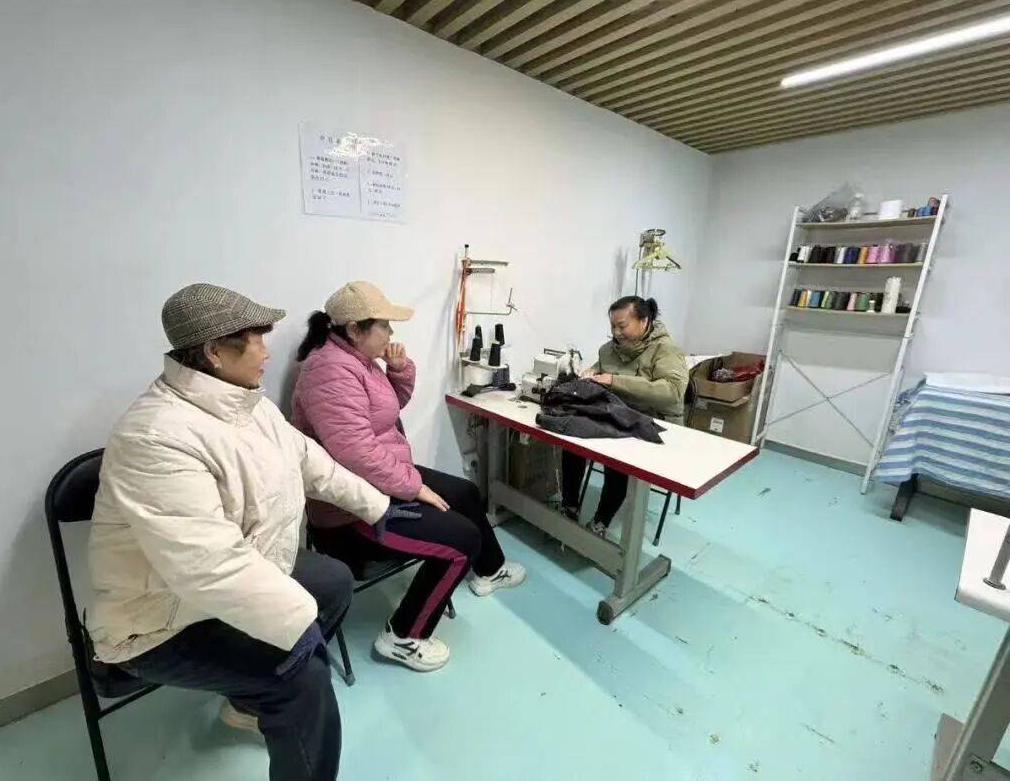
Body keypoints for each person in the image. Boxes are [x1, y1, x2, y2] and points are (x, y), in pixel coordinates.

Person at [88, 283, 394, 781]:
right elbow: (208, 565)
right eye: (257, 338)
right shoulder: (154, 436)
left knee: (333, 581)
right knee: (303, 680)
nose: (267, 351)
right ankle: (276, 698)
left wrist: (376, 505)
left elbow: (310, 461)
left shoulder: (247, 406)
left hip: (224, 584)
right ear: (214, 351)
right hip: (160, 619)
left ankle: (248, 704)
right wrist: (296, 625)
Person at [292, 281, 526, 673]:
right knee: (462, 539)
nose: (390, 333)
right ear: (354, 329)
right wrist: (415, 487)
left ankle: (490, 570)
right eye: (384, 325)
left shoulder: (359, 360)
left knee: (464, 493)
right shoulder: (329, 371)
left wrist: (399, 370)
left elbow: (387, 410)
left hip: (383, 477)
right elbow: (356, 454)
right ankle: (403, 637)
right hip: (352, 507)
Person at [560, 295, 688, 537]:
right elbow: (601, 367)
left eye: (622, 326)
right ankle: (569, 506)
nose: (616, 333)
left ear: (644, 321)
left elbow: (673, 392)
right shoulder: (609, 350)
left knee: (617, 457)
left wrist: (615, 380)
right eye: (612, 326)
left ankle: (601, 520)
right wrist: (591, 372)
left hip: (653, 423)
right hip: (617, 414)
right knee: (572, 440)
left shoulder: (666, 350)